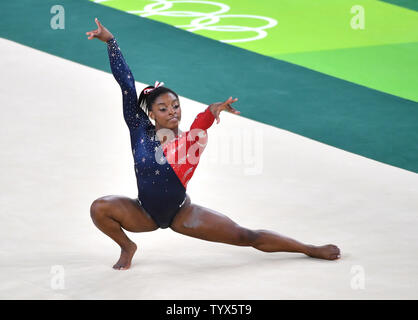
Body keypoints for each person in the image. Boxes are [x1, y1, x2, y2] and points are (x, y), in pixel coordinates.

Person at [86, 18, 341, 270]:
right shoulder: (139, 130)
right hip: (142, 212)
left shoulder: (188, 142)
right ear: (151, 114)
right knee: (99, 208)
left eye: (176, 106)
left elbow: (201, 122)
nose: (172, 112)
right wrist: (111, 42)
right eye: (163, 108)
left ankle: (309, 249)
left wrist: (214, 109)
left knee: (246, 236)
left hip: (181, 213)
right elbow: (127, 86)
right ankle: (127, 246)